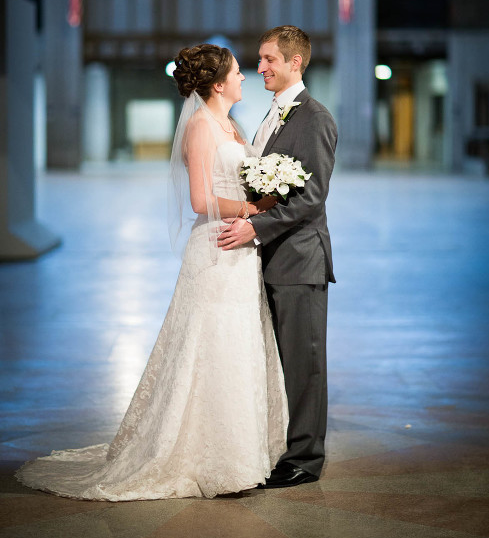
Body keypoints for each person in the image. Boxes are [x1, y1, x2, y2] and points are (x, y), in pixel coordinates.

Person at [16, 44, 288, 500]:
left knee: (237, 341)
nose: (246, 78)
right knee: (210, 344)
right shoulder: (202, 127)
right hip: (217, 247)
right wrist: (253, 207)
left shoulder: (232, 125)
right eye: (239, 72)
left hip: (240, 248)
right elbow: (201, 201)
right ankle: (206, 454)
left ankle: (239, 451)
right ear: (218, 83)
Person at [218, 26, 338, 488]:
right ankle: (280, 445)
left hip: (300, 260)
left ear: (295, 63)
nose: (261, 67)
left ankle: (306, 459)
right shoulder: (273, 115)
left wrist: (253, 226)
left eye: (269, 59)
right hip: (268, 258)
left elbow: (310, 199)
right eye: (260, 59)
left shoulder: (315, 118)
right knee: (278, 360)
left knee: (305, 362)